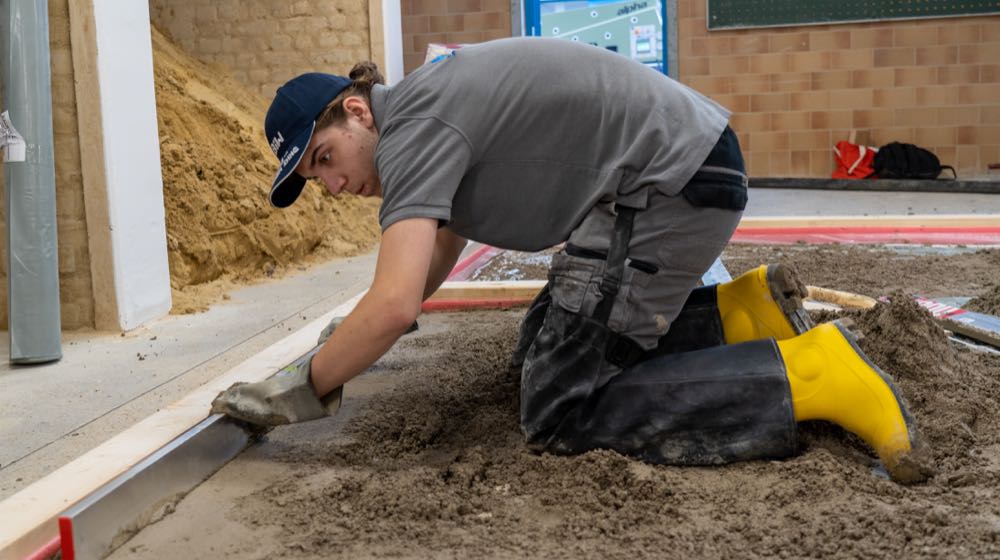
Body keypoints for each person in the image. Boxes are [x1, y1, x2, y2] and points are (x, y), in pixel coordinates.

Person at [212, 37, 929, 483]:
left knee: (561, 407)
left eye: (326, 159)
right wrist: (348, 345)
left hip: (670, 189)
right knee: (540, 352)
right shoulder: (420, 114)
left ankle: (814, 375)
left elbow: (395, 302)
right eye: (316, 180)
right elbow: (425, 267)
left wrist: (302, 387)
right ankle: (745, 314)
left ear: (357, 113)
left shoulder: (413, 132)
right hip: (659, 182)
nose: (334, 185)